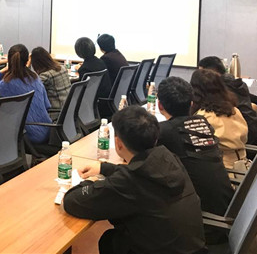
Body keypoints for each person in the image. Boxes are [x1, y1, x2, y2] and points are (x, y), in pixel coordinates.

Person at [62, 106, 207, 254]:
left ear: (118, 143)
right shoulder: (168, 158)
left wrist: (90, 182)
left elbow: (71, 201)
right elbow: (139, 174)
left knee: (110, 241)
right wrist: (104, 168)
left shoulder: (130, 181)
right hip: (193, 249)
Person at [157, 76, 234, 244]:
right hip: (225, 214)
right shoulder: (202, 122)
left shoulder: (164, 131)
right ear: (191, 103)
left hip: (200, 226)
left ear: (159, 105)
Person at [0, 44, 52, 144]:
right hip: (49, 130)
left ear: (9, 61)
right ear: (27, 61)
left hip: (29, 135)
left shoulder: (5, 84)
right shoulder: (35, 78)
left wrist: (1, 71)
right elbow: (47, 105)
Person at [190, 69, 248, 170]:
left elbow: (197, 151)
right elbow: (244, 139)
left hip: (222, 170)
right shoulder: (234, 110)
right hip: (244, 168)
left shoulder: (202, 118)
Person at [198, 55, 257, 144]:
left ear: (210, 73)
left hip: (242, 140)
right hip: (249, 132)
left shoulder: (220, 88)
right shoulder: (237, 84)